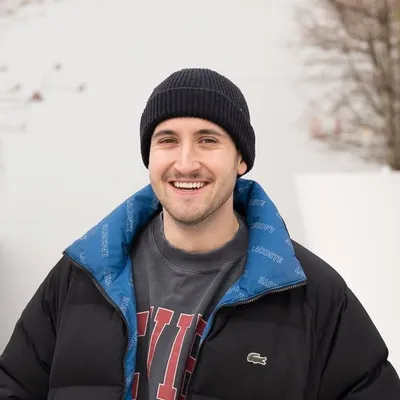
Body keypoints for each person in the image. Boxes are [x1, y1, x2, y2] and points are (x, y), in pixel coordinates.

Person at [0, 68, 399, 400]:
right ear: (149, 156)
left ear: (241, 159)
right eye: (167, 141)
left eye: (208, 140)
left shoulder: (310, 293)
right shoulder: (83, 276)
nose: (186, 162)